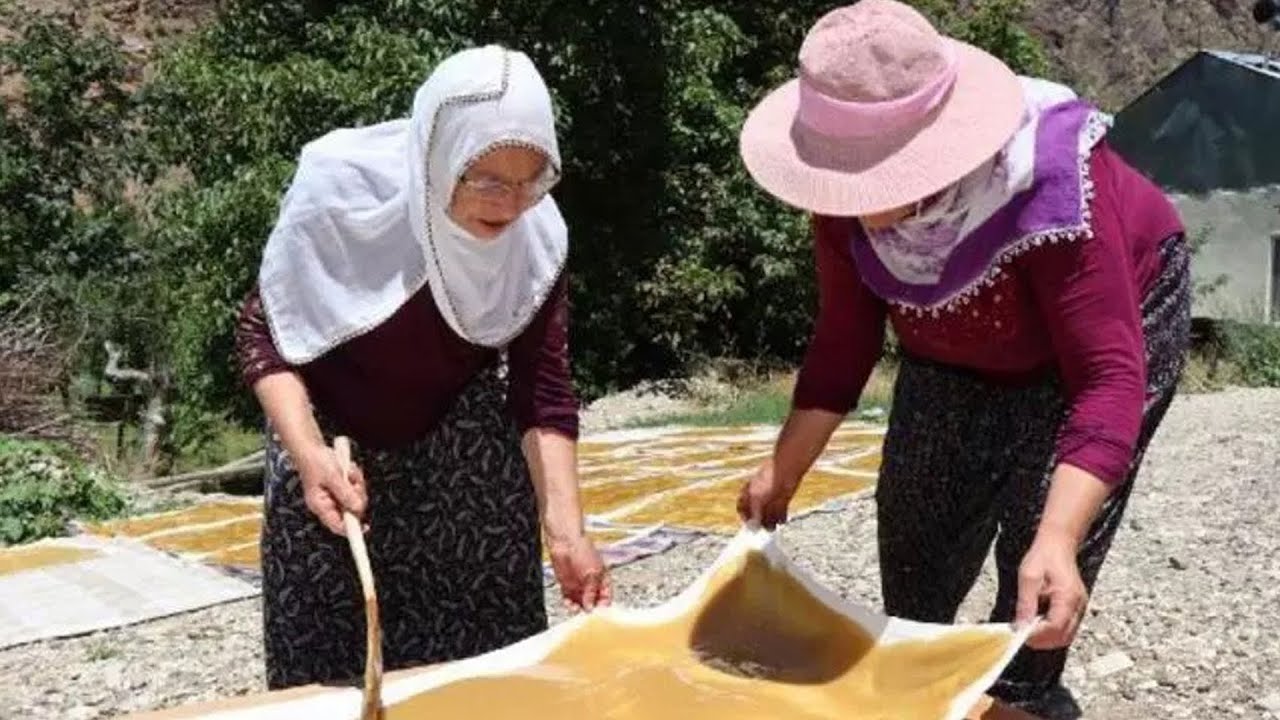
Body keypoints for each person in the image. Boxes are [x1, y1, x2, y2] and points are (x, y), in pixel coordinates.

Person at [734, 2, 1188, 717]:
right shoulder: (842, 198)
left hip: (1097, 340)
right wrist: (782, 469)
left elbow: (1106, 377)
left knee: (1033, 584)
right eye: (847, 180)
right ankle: (928, 679)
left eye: (883, 176)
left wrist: (1060, 538)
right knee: (918, 530)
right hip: (951, 349)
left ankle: (1024, 697)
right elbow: (844, 342)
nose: (862, 204)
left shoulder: (1051, 183)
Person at [233, 44, 611, 690]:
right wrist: (307, 453)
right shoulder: (340, 198)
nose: (511, 205)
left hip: (459, 455)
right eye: (488, 180)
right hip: (334, 452)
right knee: (336, 679)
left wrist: (568, 531)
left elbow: (542, 389)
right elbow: (262, 332)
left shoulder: (536, 237)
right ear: (438, 161)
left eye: (531, 181)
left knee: (487, 677)